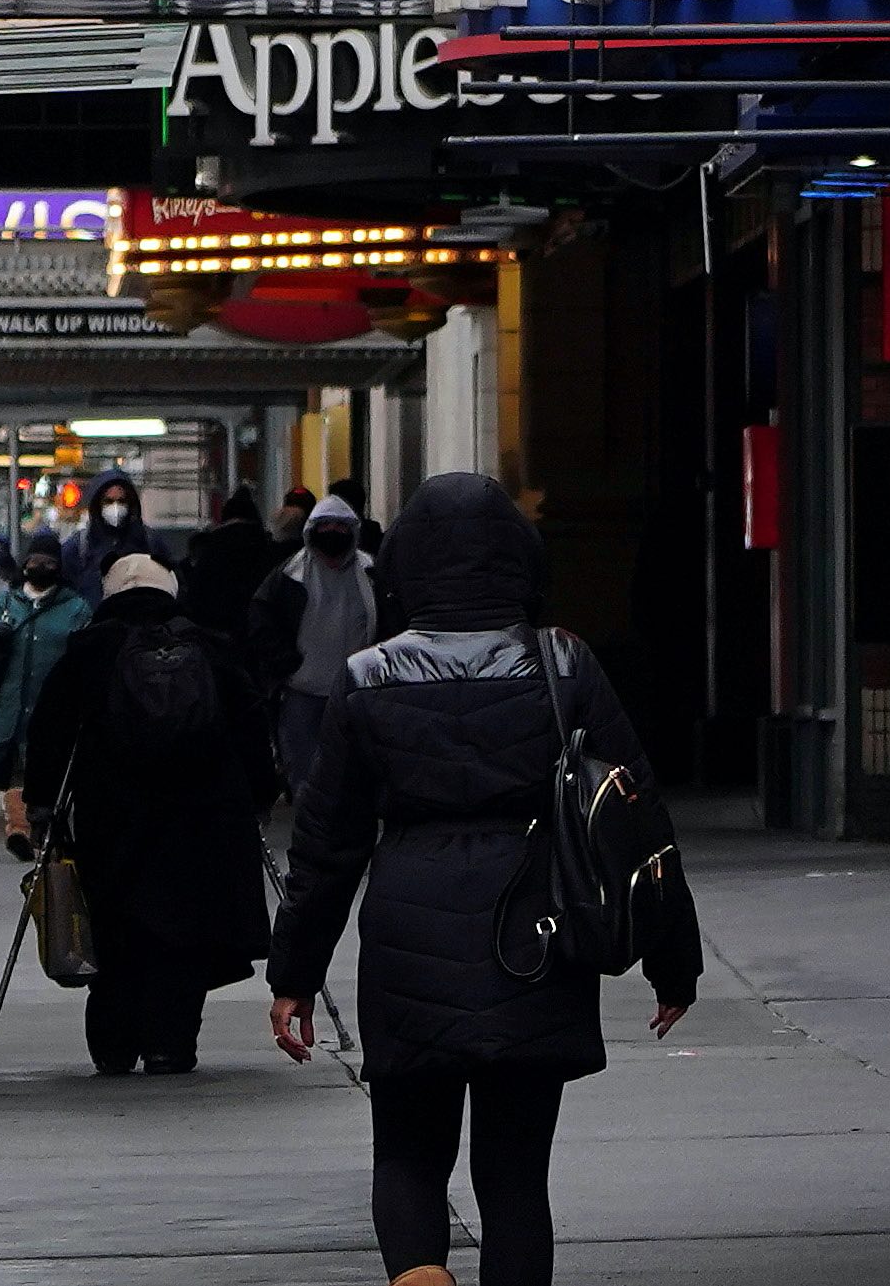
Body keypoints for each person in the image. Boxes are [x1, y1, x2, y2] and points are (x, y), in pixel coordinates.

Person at [268, 476, 700, 1286]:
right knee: (514, 1175)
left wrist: (294, 973)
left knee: (405, 1147)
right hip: (536, 929)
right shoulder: (565, 662)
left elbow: (325, 845)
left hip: (407, 929)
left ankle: (419, 1274)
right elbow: (637, 820)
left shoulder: (365, 676)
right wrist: (673, 957)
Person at [18, 552, 276, 1071]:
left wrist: (41, 805)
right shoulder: (210, 647)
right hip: (202, 816)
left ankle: (113, 1043)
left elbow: (48, 732)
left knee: (115, 922)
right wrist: (260, 797)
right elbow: (252, 727)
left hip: (114, 814)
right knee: (185, 928)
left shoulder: (91, 649)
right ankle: (170, 1042)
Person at [245, 489, 388, 797]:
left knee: (354, 773)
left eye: (340, 527)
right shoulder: (290, 575)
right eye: (325, 528)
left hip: (356, 690)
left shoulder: (371, 572)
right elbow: (260, 617)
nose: (332, 534)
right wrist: (285, 662)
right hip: (303, 690)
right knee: (305, 773)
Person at [0, 534, 89, 795]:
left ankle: (38, 826)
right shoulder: (7, 602)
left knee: (49, 781)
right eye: (36, 561)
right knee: (16, 784)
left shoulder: (75, 608)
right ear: (25, 564)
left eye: (49, 563)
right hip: (11, 712)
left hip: (55, 713)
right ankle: (19, 829)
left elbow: (86, 657)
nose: (41, 567)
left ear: (59, 567)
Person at [184, 484, 280, 641]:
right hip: (259, 634)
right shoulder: (265, 546)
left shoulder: (212, 547)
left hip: (218, 634)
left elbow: (197, 594)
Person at [67, 470, 169, 603]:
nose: (115, 508)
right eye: (108, 501)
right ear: (97, 505)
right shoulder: (79, 546)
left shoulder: (149, 541)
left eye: (121, 501)